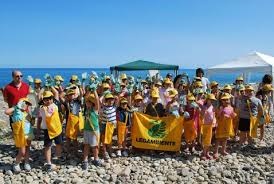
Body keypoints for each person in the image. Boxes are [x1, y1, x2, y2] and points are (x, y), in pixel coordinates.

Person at [5, 98, 34, 173]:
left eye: (27, 104)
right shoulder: (15, 111)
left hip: (29, 133)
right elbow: (6, 112)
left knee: (27, 149)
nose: (26, 105)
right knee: (22, 151)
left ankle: (26, 163)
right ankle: (16, 164)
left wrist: (33, 117)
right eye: (25, 103)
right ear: (20, 103)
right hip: (20, 134)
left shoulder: (27, 113)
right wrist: (16, 107)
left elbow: (32, 123)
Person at [38, 91, 63, 171]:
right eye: (46, 99)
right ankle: (48, 162)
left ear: (52, 99)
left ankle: (58, 157)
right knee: (47, 146)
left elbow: (56, 93)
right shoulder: (42, 108)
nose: (48, 100)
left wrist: (49, 86)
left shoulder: (55, 106)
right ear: (43, 100)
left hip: (56, 129)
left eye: (50, 98)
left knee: (59, 144)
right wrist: (41, 91)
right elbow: (46, 115)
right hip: (47, 130)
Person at [82, 91, 101, 169]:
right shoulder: (86, 110)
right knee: (86, 145)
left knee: (94, 146)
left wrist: (95, 91)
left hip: (94, 131)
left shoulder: (95, 110)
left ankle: (96, 159)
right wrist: (89, 91)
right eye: (87, 102)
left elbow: (97, 100)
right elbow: (85, 98)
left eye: (89, 102)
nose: (87, 103)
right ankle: (85, 160)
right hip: (86, 130)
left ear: (92, 103)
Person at [214, 93, 236, 159]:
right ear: (221, 101)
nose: (226, 101)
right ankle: (216, 151)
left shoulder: (231, 108)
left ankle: (223, 150)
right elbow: (217, 117)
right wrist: (221, 114)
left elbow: (232, 116)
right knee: (218, 139)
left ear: (229, 100)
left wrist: (233, 115)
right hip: (221, 125)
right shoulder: (220, 108)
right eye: (224, 100)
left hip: (228, 125)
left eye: (227, 99)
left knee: (225, 138)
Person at [101, 93, 118, 159]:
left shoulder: (114, 107)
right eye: (109, 100)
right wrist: (105, 95)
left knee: (110, 139)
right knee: (103, 139)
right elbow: (101, 101)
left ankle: (110, 151)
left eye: (112, 100)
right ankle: (105, 152)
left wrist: (114, 96)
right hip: (104, 125)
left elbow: (117, 98)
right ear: (106, 101)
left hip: (111, 126)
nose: (111, 101)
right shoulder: (103, 107)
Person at [200, 94, 216, 160]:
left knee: (209, 139)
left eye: (213, 100)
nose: (212, 101)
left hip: (211, 125)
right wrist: (203, 113)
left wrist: (214, 122)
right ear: (207, 100)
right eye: (211, 100)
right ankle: (204, 153)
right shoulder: (204, 107)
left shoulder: (212, 107)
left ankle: (207, 153)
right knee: (205, 139)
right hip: (205, 125)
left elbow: (214, 115)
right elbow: (201, 116)